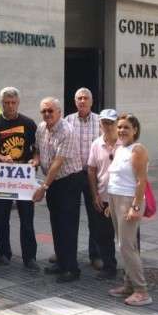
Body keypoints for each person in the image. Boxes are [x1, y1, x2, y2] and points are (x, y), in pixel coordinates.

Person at [0, 87, 39, 270]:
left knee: (27, 218)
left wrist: (35, 160)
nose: (10, 106)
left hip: (23, 174)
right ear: (1, 103)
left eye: (13, 103)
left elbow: (36, 148)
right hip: (3, 174)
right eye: (6, 103)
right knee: (1, 217)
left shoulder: (29, 123)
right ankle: (4, 253)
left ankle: (29, 257)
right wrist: (1, 157)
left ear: (18, 103)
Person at [32, 97, 84, 283]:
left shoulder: (67, 131)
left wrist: (43, 187)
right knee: (56, 223)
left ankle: (72, 269)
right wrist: (36, 161)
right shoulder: (41, 128)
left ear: (59, 112)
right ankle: (61, 262)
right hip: (53, 181)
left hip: (68, 181)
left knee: (68, 225)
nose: (47, 114)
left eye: (50, 111)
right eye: (44, 111)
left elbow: (57, 163)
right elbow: (37, 150)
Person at [106, 113, 152, 306]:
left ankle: (142, 291)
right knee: (122, 244)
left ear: (135, 130)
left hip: (128, 201)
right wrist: (110, 204)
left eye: (126, 127)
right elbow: (116, 178)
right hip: (115, 199)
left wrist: (135, 206)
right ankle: (128, 284)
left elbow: (141, 181)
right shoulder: (120, 149)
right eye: (120, 127)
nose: (122, 130)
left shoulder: (137, 150)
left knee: (127, 246)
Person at [64, 87, 110, 271]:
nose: (82, 101)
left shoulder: (100, 121)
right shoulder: (68, 120)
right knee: (69, 215)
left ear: (91, 101)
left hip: (94, 175)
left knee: (96, 215)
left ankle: (96, 254)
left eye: (85, 98)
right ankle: (66, 252)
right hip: (73, 174)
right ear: (75, 102)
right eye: (79, 98)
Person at [86, 109, 121, 280]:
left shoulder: (126, 143)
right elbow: (91, 171)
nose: (107, 126)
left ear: (117, 124)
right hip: (103, 198)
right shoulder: (96, 144)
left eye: (110, 123)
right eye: (104, 123)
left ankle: (131, 271)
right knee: (103, 235)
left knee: (128, 238)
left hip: (123, 200)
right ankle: (109, 267)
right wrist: (95, 195)